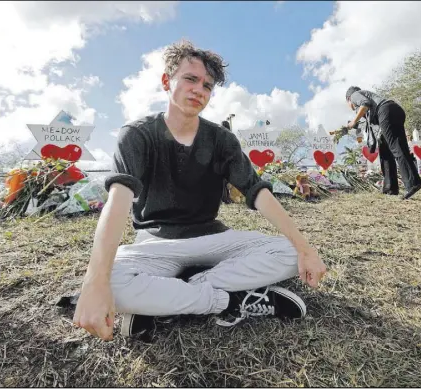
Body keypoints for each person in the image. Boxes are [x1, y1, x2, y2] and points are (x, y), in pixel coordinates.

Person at [73, 40, 327, 341]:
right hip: (157, 243)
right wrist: (95, 282)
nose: (199, 90)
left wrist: (305, 249)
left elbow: (258, 192)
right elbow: (117, 204)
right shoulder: (137, 135)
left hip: (213, 239)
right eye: (190, 79)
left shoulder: (221, 139)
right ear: (167, 81)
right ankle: (230, 301)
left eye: (207, 85)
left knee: (289, 252)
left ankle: (171, 294)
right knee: (108, 282)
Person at [345, 87, 421, 199]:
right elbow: (366, 120)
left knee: (397, 148)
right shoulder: (366, 100)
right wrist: (352, 125)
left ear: (348, 99)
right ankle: (390, 189)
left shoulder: (354, 95)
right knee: (385, 151)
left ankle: (413, 183)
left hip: (386, 111)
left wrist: (353, 121)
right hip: (392, 111)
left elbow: (365, 103)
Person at [220, 120, 233, 204]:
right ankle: (227, 198)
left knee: (222, 181)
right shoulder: (231, 136)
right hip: (228, 161)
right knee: (227, 181)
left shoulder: (221, 136)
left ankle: (224, 198)